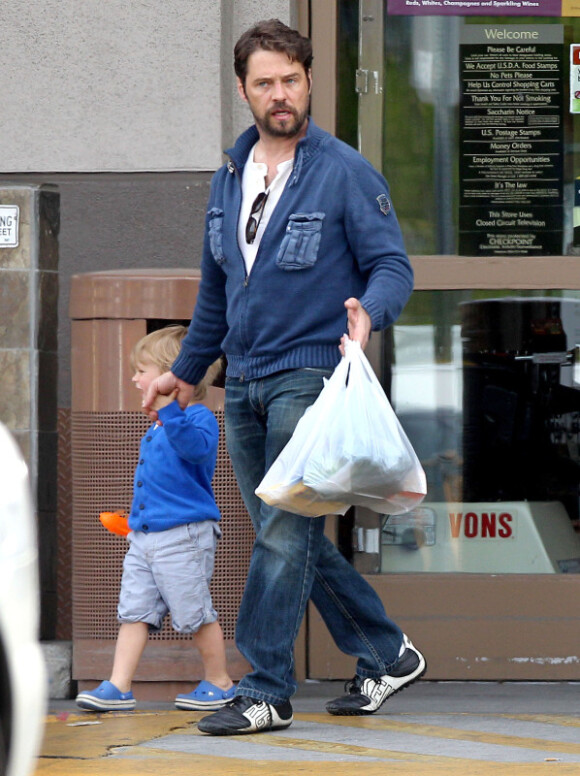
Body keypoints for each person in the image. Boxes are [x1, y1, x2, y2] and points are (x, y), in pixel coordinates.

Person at [143, 19, 425, 736]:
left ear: (308, 83)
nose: (280, 94)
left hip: (311, 375)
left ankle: (264, 688)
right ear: (244, 90)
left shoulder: (343, 171)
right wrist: (184, 372)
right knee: (285, 530)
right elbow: (216, 294)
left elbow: (392, 264)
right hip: (244, 382)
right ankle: (385, 652)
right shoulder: (228, 178)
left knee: (283, 532)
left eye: (291, 80)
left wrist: (371, 316)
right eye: (264, 82)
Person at [76, 325, 235, 713]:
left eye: (142, 370)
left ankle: (220, 681)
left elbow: (195, 452)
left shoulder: (199, 418)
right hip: (145, 538)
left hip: (184, 537)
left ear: (170, 373)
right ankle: (119, 685)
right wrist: (134, 521)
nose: (134, 378)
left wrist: (168, 411)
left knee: (194, 611)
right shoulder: (159, 424)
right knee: (134, 609)